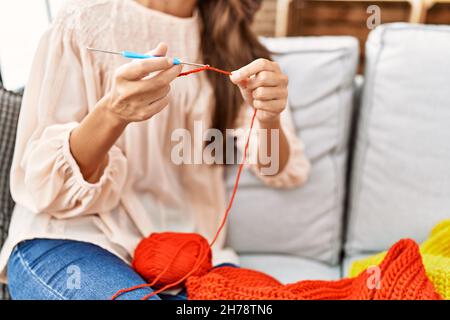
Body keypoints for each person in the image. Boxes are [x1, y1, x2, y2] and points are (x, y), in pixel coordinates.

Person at [1, 0, 310, 299]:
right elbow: (41, 184)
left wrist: (269, 118)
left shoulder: (236, 47)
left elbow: (276, 168)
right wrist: (113, 113)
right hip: (76, 237)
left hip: (190, 258)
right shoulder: (81, 21)